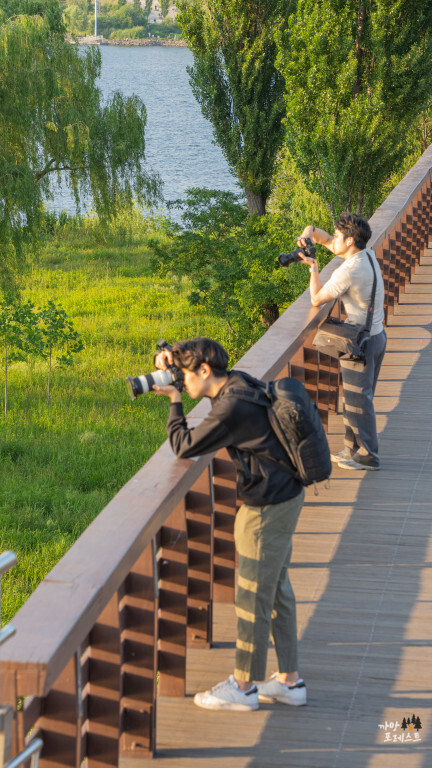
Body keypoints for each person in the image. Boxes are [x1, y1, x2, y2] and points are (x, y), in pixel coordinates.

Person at [152, 337, 307, 712]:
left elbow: (184, 445)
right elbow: (212, 405)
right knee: (277, 589)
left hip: (266, 507)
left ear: (205, 370)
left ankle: (243, 687)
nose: (181, 382)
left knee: (252, 595)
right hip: (285, 495)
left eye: (184, 375)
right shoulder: (238, 382)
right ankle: (290, 682)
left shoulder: (230, 407)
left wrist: (173, 400)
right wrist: (173, 356)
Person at [297, 213, 386, 471]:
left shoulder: (348, 271)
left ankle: (368, 456)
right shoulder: (366, 255)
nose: (332, 239)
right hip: (376, 336)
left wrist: (314, 269)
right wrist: (309, 231)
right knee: (354, 399)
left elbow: (316, 298)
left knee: (359, 402)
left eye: (338, 236)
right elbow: (326, 240)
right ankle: (351, 449)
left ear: (349, 241)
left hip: (361, 344)